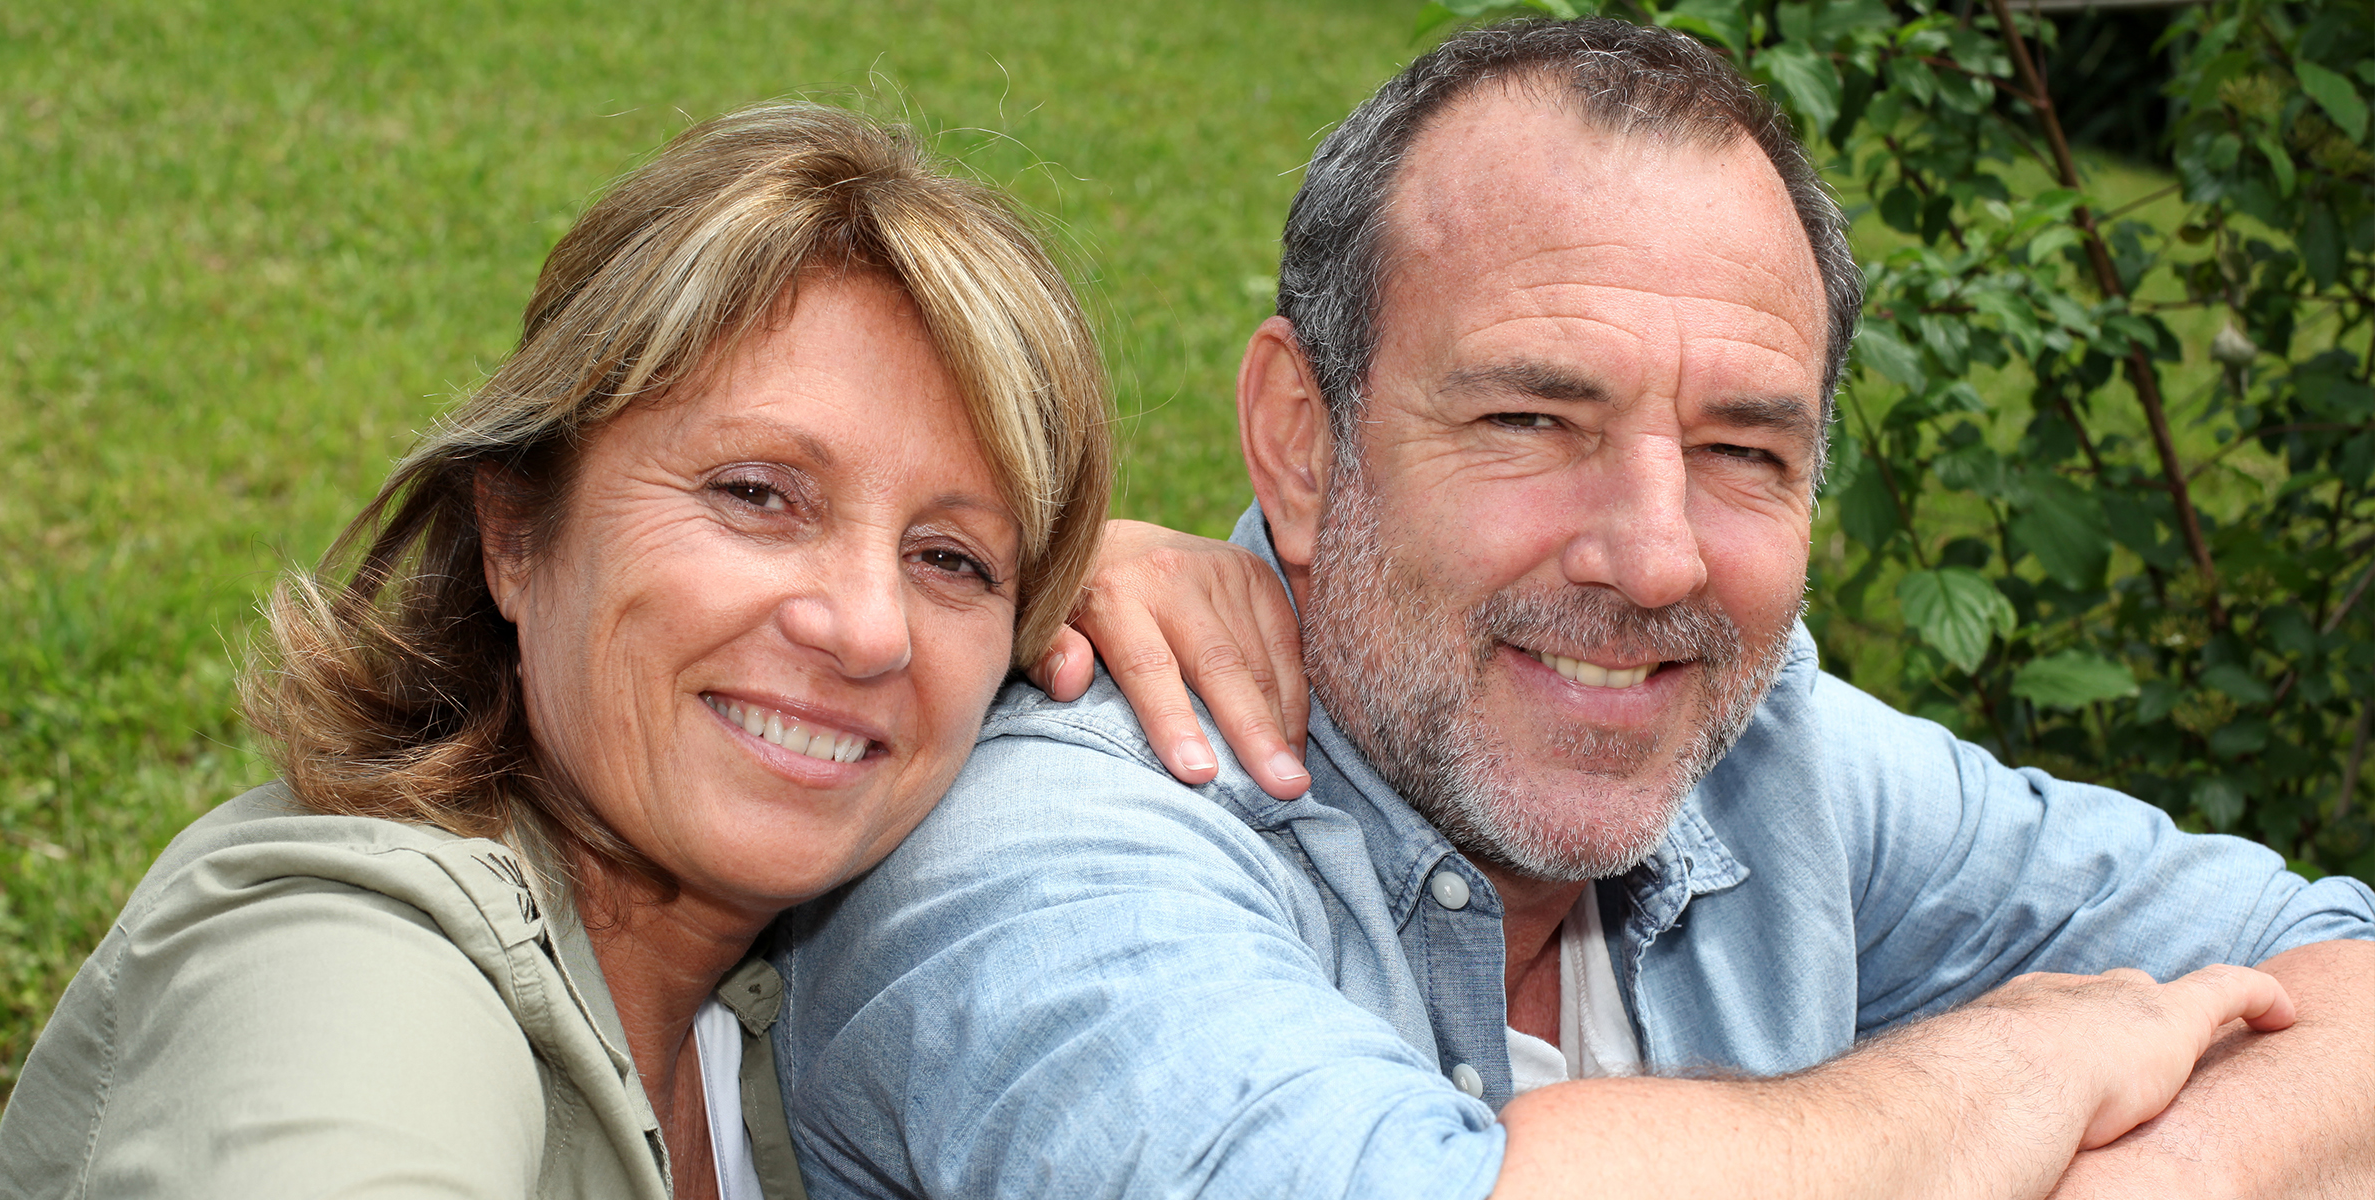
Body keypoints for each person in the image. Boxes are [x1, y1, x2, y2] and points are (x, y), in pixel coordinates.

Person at [775, 19, 2375, 1199]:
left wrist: (2173, 1178)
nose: (1660, 559)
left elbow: (2340, 969)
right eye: (1533, 423)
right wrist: (2006, 1073)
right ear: (1301, 447)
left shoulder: (1775, 765)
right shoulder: (1041, 844)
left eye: (1748, 449)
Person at [0, 101, 1309, 1200]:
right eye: (755, 493)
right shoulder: (345, 955)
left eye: (950, 559)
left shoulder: (773, 998)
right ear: (515, 531)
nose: (864, 626)